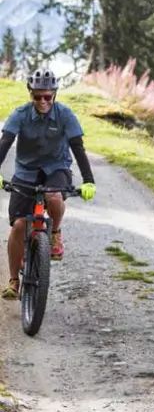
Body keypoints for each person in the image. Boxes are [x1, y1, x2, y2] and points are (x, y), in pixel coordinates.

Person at [0, 68, 97, 299]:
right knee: (19, 225)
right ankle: (14, 281)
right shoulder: (20, 114)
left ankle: (54, 232)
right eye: (38, 96)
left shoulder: (65, 115)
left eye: (48, 97)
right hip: (26, 171)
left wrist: (89, 181)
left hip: (57, 167)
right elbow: (5, 142)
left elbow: (78, 147)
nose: (43, 101)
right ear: (30, 94)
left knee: (54, 196)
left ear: (54, 95)